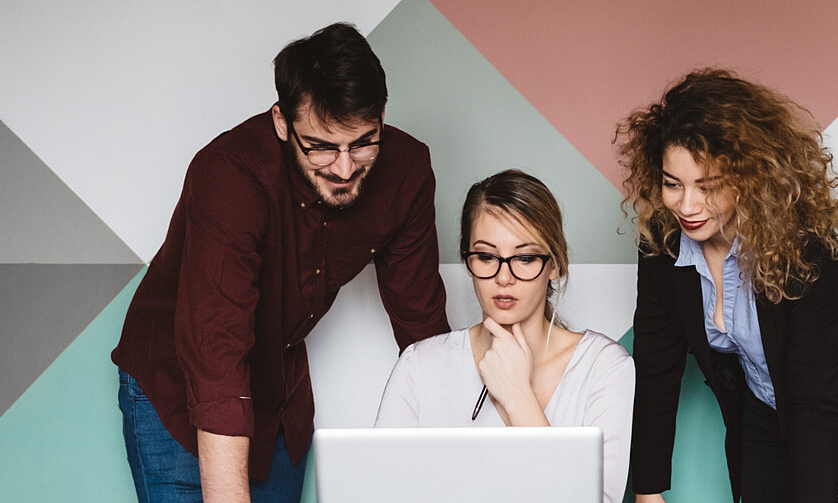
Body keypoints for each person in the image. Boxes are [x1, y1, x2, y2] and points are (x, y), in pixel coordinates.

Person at [111, 23, 450, 502]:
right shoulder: (228, 176)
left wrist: (460, 461)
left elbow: (423, 328)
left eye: (362, 142)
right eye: (321, 146)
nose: (345, 168)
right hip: (176, 385)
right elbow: (216, 350)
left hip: (278, 389)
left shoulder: (407, 171)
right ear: (281, 122)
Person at [618, 69, 838, 502]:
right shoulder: (661, 246)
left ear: (748, 177)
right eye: (673, 184)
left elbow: (817, 403)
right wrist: (647, 491)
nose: (686, 206)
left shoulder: (802, 249)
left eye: (707, 187)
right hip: (766, 412)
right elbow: (655, 368)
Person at [375, 169, 635, 503]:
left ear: (555, 264)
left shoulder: (604, 367)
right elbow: (380, 491)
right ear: (467, 260)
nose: (503, 277)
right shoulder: (418, 365)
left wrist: (517, 396)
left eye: (525, 258)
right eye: (486, 256)